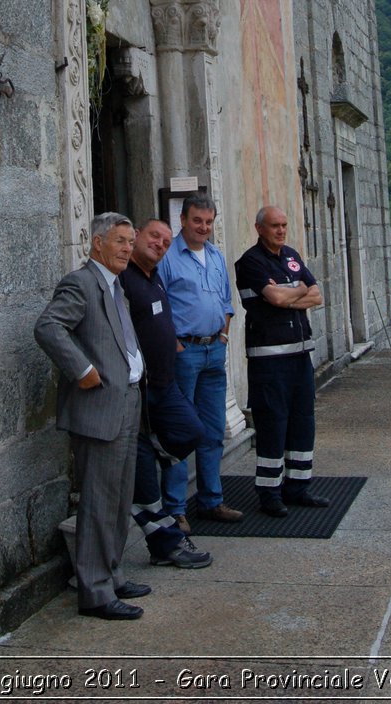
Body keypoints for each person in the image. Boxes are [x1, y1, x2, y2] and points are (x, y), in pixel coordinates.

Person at [34, 213, 150, 620]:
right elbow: (48, 327)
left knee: (119, 499)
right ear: (97, 243)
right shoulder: (81, 282)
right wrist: (83, 371)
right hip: (99, 405)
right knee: (99, 501)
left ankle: (113, 574)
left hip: (127, 401)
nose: (127, 248)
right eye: (119, 241)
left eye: (129, 241)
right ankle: (96, 592)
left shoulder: (116, 286)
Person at [121, 219, 213, 569]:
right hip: (141, 393)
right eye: (153, 236)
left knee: (193, 431)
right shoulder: (123, 279)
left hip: (165, 383)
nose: (159, 244)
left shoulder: (153, 276)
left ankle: (155, 449)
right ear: (136, 239)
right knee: (144, 487)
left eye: (165, 240)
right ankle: (167, 545)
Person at [234, 206, 329, 517]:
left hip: (300, 356)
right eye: (275, 225)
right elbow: (273, 298)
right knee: (273, 425)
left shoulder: (291, 255)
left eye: (284, 225)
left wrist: (290, 292)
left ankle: (298, 487)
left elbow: (316, 295)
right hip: (269, 360)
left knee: (303, 423)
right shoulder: (250, 261)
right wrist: (294, 290)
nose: (281, 231)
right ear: (260, 228)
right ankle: (270, 493)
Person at [157, 193, 243, 529]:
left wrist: (223, 336)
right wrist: (175, 344)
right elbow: (158, 304)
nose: (203, 227)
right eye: (197, 221)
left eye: (208, 222)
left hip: (213, 351)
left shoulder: (216, 256)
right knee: (180, 432)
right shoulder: (168, 257)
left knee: (212, 429)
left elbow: (226, 301)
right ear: (183, 220)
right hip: (185, 353)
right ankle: (176, 508)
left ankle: (212, 501)